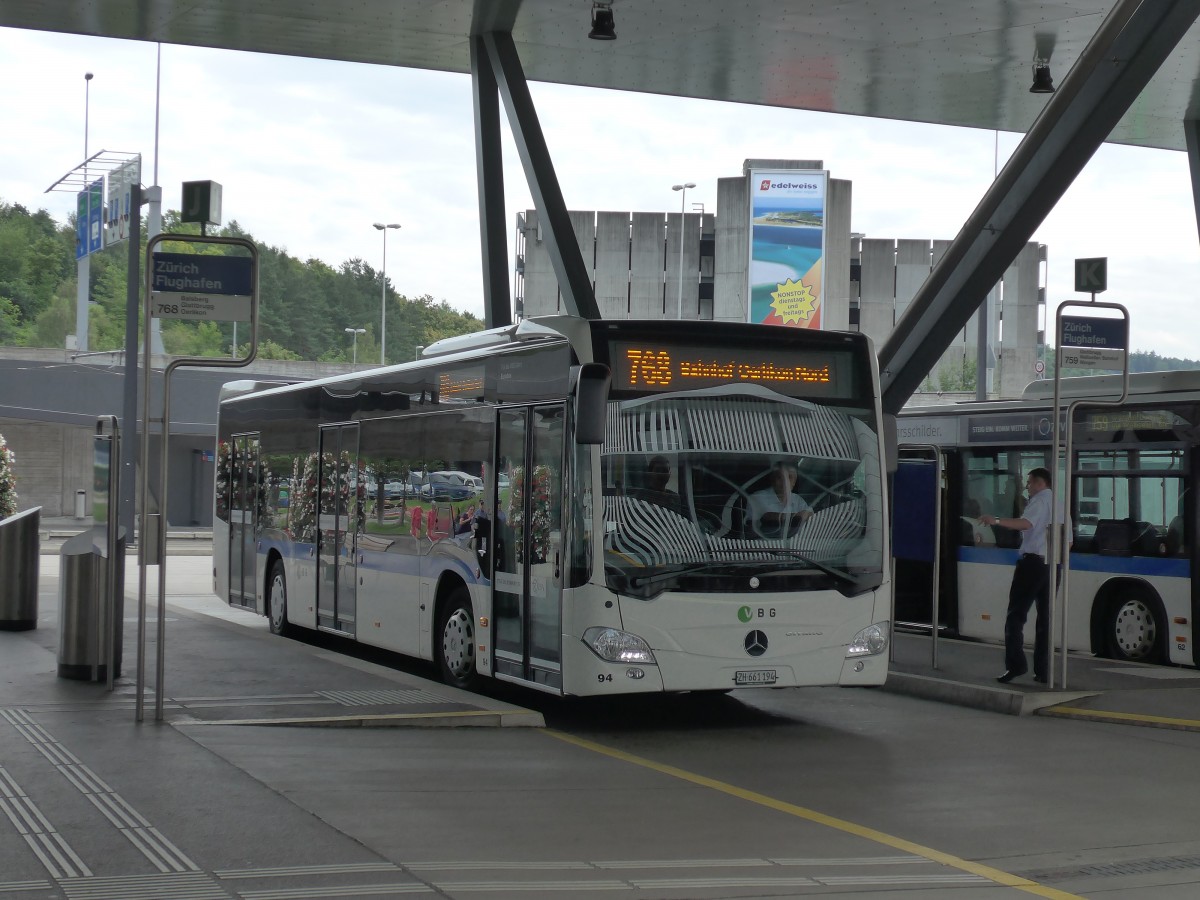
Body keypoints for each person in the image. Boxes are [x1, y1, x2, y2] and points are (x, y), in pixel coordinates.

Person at [980, 467, 1052, 684]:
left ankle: (1016, 665)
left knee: (1015, 616)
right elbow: (1068, 540)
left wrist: (997, 521)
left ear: (1040, 483)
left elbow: (1026, 523)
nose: (1027, 487)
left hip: (1032, 564)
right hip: (1053, 564)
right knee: (1045, 619)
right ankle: (1043, 670)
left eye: (1029, 483)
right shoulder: (1059, 503)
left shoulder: (1039, 501)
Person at [748, 461, 813, 537]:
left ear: (794, 482)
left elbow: (811, 515)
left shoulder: (797, 499)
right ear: (772, 480)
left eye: (790, 477)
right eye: (780, 477)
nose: (785, 482)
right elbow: (767, 518)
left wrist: (804, 515)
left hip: (792, 545)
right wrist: (798, 516)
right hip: (763, 544)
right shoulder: (757, 497)